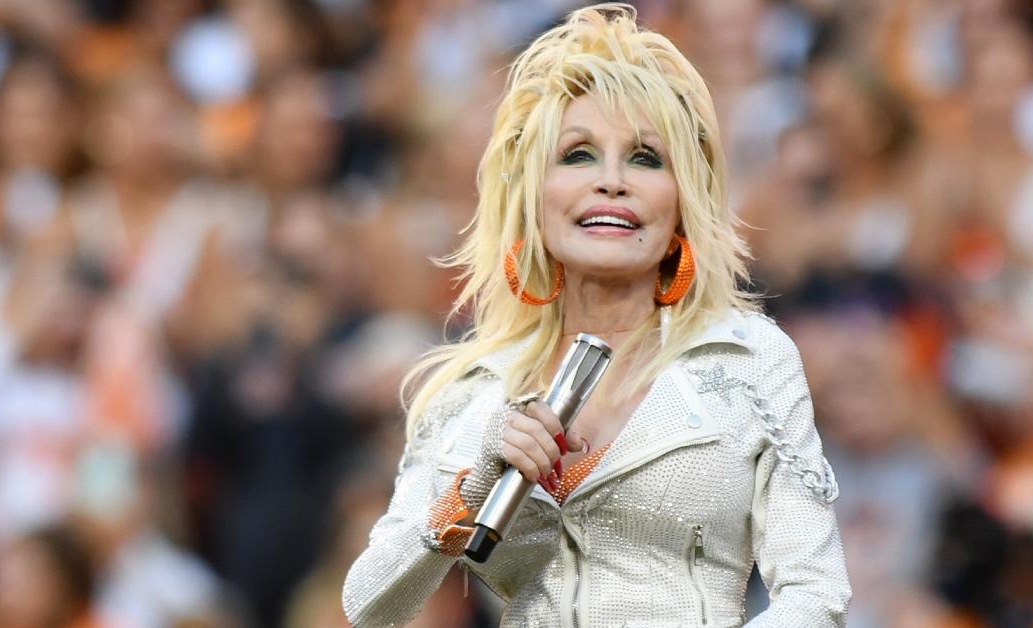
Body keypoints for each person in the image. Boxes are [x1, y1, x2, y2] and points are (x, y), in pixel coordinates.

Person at [342, 4, 850, 626]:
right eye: (578, 155)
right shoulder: (472, 394)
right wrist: (470, 490)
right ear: (533, 198)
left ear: (681, 206)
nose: (612, 181)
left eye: (644, 158)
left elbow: (815, 594)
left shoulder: (748, 359)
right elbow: (367, 603)